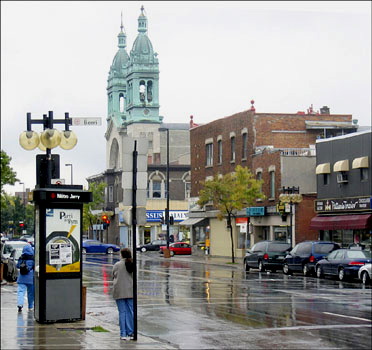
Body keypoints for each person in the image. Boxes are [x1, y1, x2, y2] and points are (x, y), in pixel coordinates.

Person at [112, 247, 134, 340]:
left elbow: (113, 275)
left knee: (122, 312)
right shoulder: (132, 264)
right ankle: (131, 332)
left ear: (122, 255)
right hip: (130, 291)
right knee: (130, 312)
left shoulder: (117, 265)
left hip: (119, 291)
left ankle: (123, 334)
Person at [16, 244, 34, 312]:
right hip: (31, 278)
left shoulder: (21, 257)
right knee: (30, 293)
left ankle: (20, 305)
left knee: (21, 292)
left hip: (21, 278)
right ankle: (30, 306)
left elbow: (18, 266)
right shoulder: (33, 258)